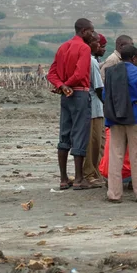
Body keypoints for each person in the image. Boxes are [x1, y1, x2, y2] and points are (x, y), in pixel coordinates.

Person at [47, 18, 95, 191]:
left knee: (64, 134)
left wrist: (61, 86)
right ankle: (79, 179)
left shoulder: (62, 47)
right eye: (91, 31)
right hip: (79, 93)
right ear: (83, 31)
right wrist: (66, 85)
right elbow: (80, 72)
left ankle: (63, 178)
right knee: (80, 133)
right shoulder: (84, 48)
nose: (93, 34)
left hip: (65, 96)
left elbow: (51, 74)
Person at [104, 45, 137, 203]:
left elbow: (105, 94)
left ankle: (114, 194)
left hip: (114, 118)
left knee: (116, 155)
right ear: (134, 57)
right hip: (134, 117)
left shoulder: (111, 72)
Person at [82, 32, 105, 187]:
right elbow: (98, 88)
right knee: (93, 142)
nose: (100, 47)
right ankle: (90, 173)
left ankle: (95, 172)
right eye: (98, 43)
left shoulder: (91, 60)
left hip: (88, 106)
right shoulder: (91, 62)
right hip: (94, 107)